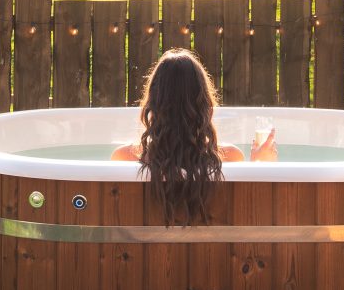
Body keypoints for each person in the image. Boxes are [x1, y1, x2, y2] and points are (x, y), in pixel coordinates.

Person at [112, 48, 276, 223]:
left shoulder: (123, 157)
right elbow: (253, 215)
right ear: (205, 103)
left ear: (153, 102)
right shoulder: (231, 157)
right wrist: (261, 165)